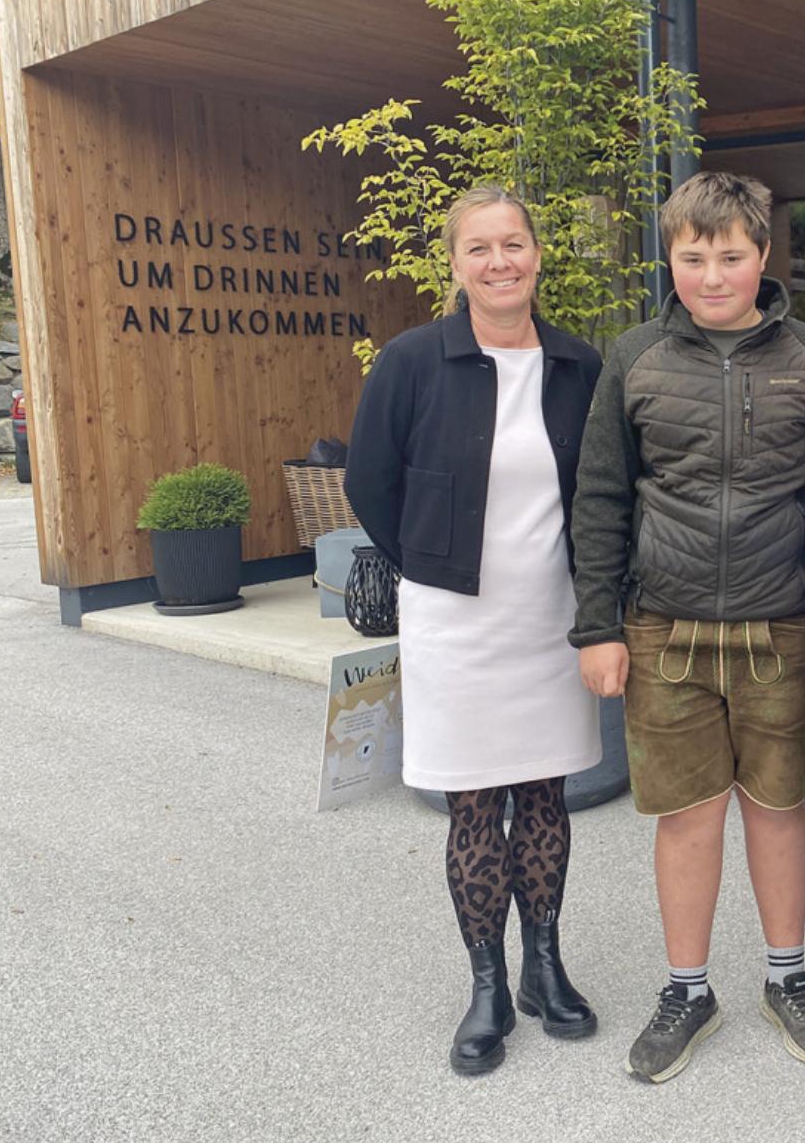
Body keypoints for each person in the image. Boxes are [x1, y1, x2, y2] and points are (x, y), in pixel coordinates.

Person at [569, 171, 805, 1083]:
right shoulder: (634, 359)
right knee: (686, 818)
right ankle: (687, 991)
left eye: (730, 256)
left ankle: (788, 977)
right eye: (692, 258)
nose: (711, 275)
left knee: (779, 810)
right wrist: (597, 627)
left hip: (785, 629)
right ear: (671, 256)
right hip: (665, 631)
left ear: (763, 256)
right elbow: (602, 497)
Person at [344, 186, 605, 1076]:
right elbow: (370, 484)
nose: (500, 262)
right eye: (480, 248)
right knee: (472, 805)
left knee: (543, 800)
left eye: (515, 244)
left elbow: (603, 494)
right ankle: (487, 986)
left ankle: (545, 967)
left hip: (551, 620)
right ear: (454, 264)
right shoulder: (414, 362)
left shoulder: (578, 365)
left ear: (537, 254)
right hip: (454, 624)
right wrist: (432, 560)